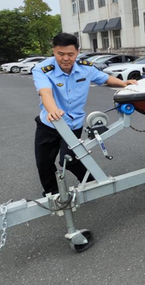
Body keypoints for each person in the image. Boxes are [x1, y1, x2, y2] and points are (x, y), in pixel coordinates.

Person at [32, 33, 137, 196]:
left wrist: (123, 83)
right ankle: (52, 193)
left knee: (69, 159)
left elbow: (104, 78)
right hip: (49, 124)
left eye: (70, 54)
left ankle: (90, 181)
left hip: (72, 124)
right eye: (60, 54)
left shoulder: (85, 68)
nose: (65, 58)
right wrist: (52, 109)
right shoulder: (42, 69)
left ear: (77, 52)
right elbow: (45, 92)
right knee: (44, 163)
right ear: (54, 51)